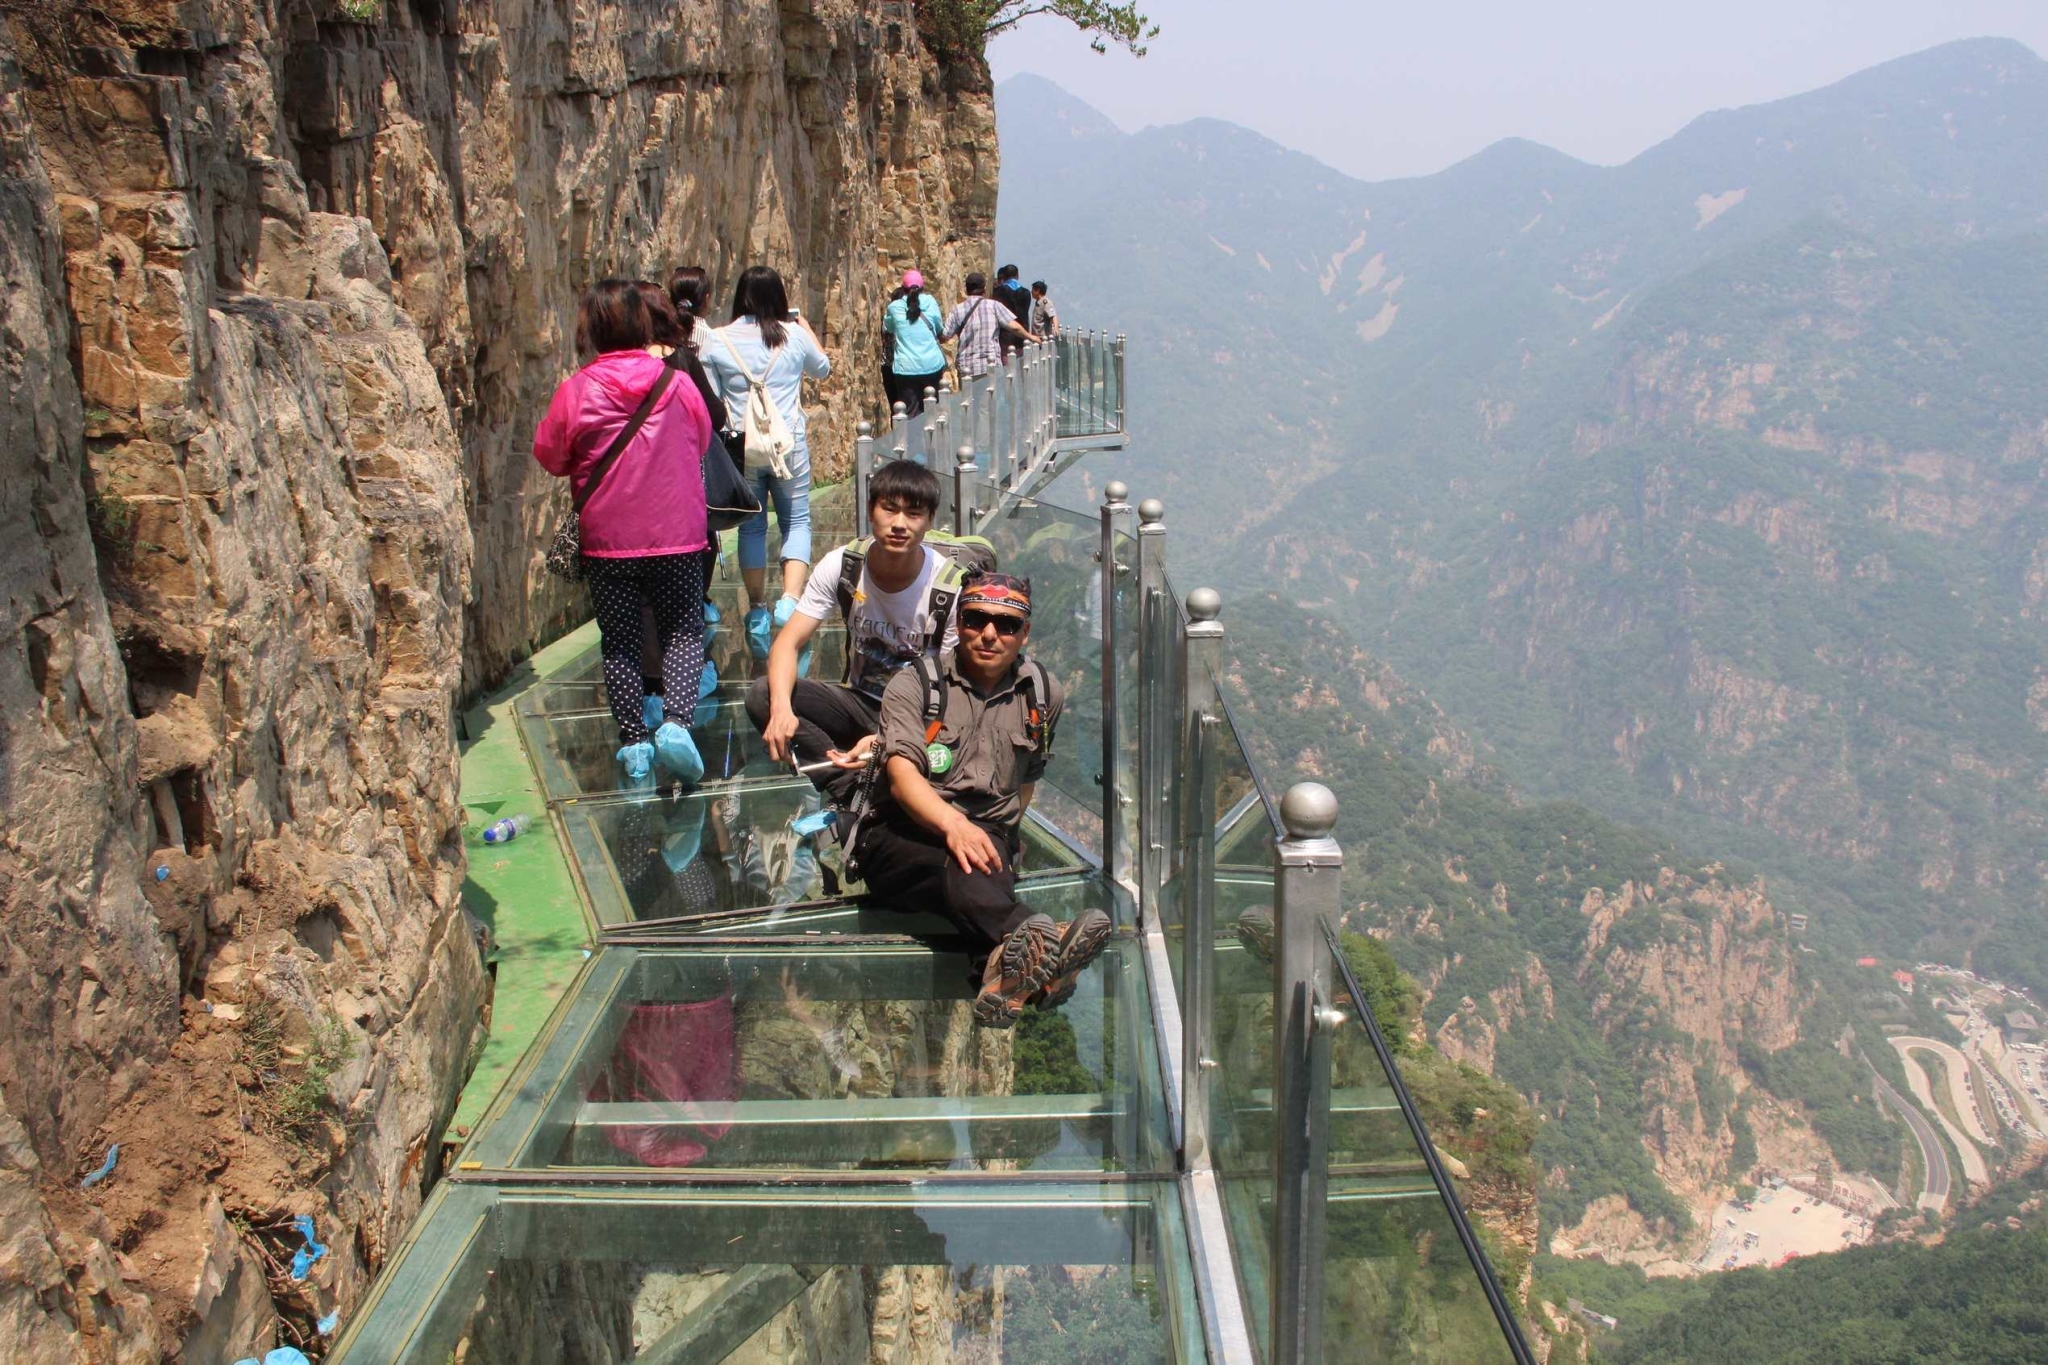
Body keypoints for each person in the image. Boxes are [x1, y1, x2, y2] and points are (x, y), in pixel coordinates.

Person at [853, 574, 1112, 1028]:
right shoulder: (915, 685)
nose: (990, 634)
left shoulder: (1043, 694)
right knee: (960, 861)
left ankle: (1002, 970)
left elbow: (1027, 779)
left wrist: (1006, 839)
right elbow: (901, 777)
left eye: (1006, 625)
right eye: (976, 620)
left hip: (986, 835)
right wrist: (954, 826)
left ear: (1024, 633)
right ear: (960, 622)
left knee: (979, 860)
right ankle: (1046, 946)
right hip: (899, 831)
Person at [534, 279, 712, 784]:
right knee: (682, 631)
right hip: (677, 533)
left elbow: (551, 456)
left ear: (591, 328)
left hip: (607, 539)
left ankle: (634, 743)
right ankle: (676, 722)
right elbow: (701, 439)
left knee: (620, 641)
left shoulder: (576, 390)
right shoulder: (675, 383)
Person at [747, 460, 960, 816]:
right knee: (762, 694)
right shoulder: (844, 566)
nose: (899, 524)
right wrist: (781, 709)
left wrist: (888, 739)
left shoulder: (948, 588)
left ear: (930, 520)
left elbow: (956, 693)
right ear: (870, 510)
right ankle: (849, 790)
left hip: (921, 716)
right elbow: (787, 642)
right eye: (889, 509)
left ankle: (880, 780)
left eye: (913, 513)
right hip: (860, 702)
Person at [700, 265, 832, 660]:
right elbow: (823, 369)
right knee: (797, 520)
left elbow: (712, 399)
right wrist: (805, 327)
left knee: (752, 526)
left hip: (743, 449)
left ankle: (757, 607)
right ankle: (790, 599)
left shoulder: (718, 340)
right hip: (788, 444)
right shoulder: (793, 336)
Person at [669, 266, 727, 626]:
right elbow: (713, 413)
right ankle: (696, 602)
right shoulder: (703, 343)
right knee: (703, 528)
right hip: (693, 453)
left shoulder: (653, 348)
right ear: (706, 298)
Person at [942, 272, 1036, 384]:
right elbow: (1014, 327)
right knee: (991, 394)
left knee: (969, 395)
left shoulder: (958, 310)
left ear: (966, 289)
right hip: (991, 365)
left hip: (967, 367)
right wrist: (1031, 337)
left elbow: (946, 335)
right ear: (984, 289)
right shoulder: (994, 306)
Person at [882, 269, 946, 416]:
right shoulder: (930, 302)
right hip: (932, 364)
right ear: (922, 288)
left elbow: (888, 328)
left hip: (906, 368)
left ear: (903, 288)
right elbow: (938, 328)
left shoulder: (894, 307)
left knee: (910, 414)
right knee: (933, 411)